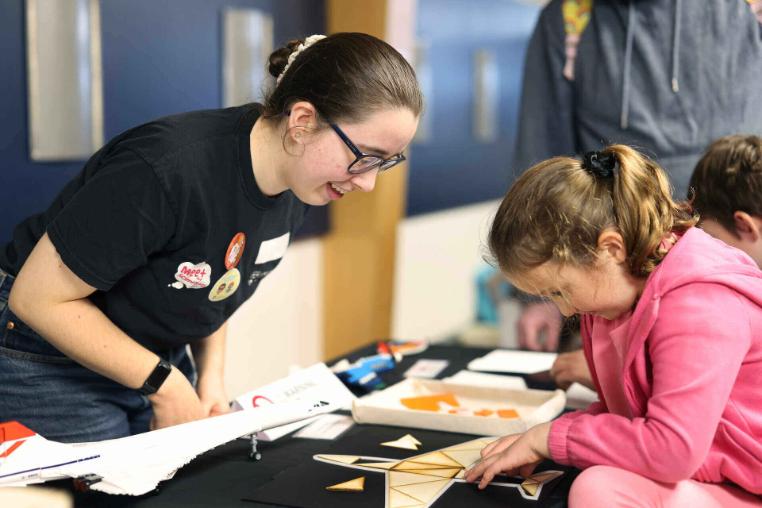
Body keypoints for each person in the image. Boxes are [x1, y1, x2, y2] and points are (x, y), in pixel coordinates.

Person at [0, 32, 422, 443]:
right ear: (302, 121)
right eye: (364, 157)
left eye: (385, 162)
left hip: (148, 357)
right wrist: (167, 386)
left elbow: (218, 276)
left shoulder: (301, 181)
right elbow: (36, 299)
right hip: (45, 350)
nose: (367, 183)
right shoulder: (165, 169)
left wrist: (210, 379)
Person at [465, 145, 762, 506]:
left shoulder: (701, 303)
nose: (566, 308)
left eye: (560, 291)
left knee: (597, 489)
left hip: (746, 484)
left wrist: (552, 438)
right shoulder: (614, 296)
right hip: (718, 474)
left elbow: (672, 449)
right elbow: (632, 413)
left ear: (611, 248)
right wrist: (546, 439)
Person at [512, 0, 762, 353]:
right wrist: (540, 296)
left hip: (740, 276)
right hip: (616, 286)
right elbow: (541, 155)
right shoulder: (570, 17)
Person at [551, 133, 762, 390]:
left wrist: (616, 376)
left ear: (745, 225)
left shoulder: (712, 296)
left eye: (714, 238)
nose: (708, 251)